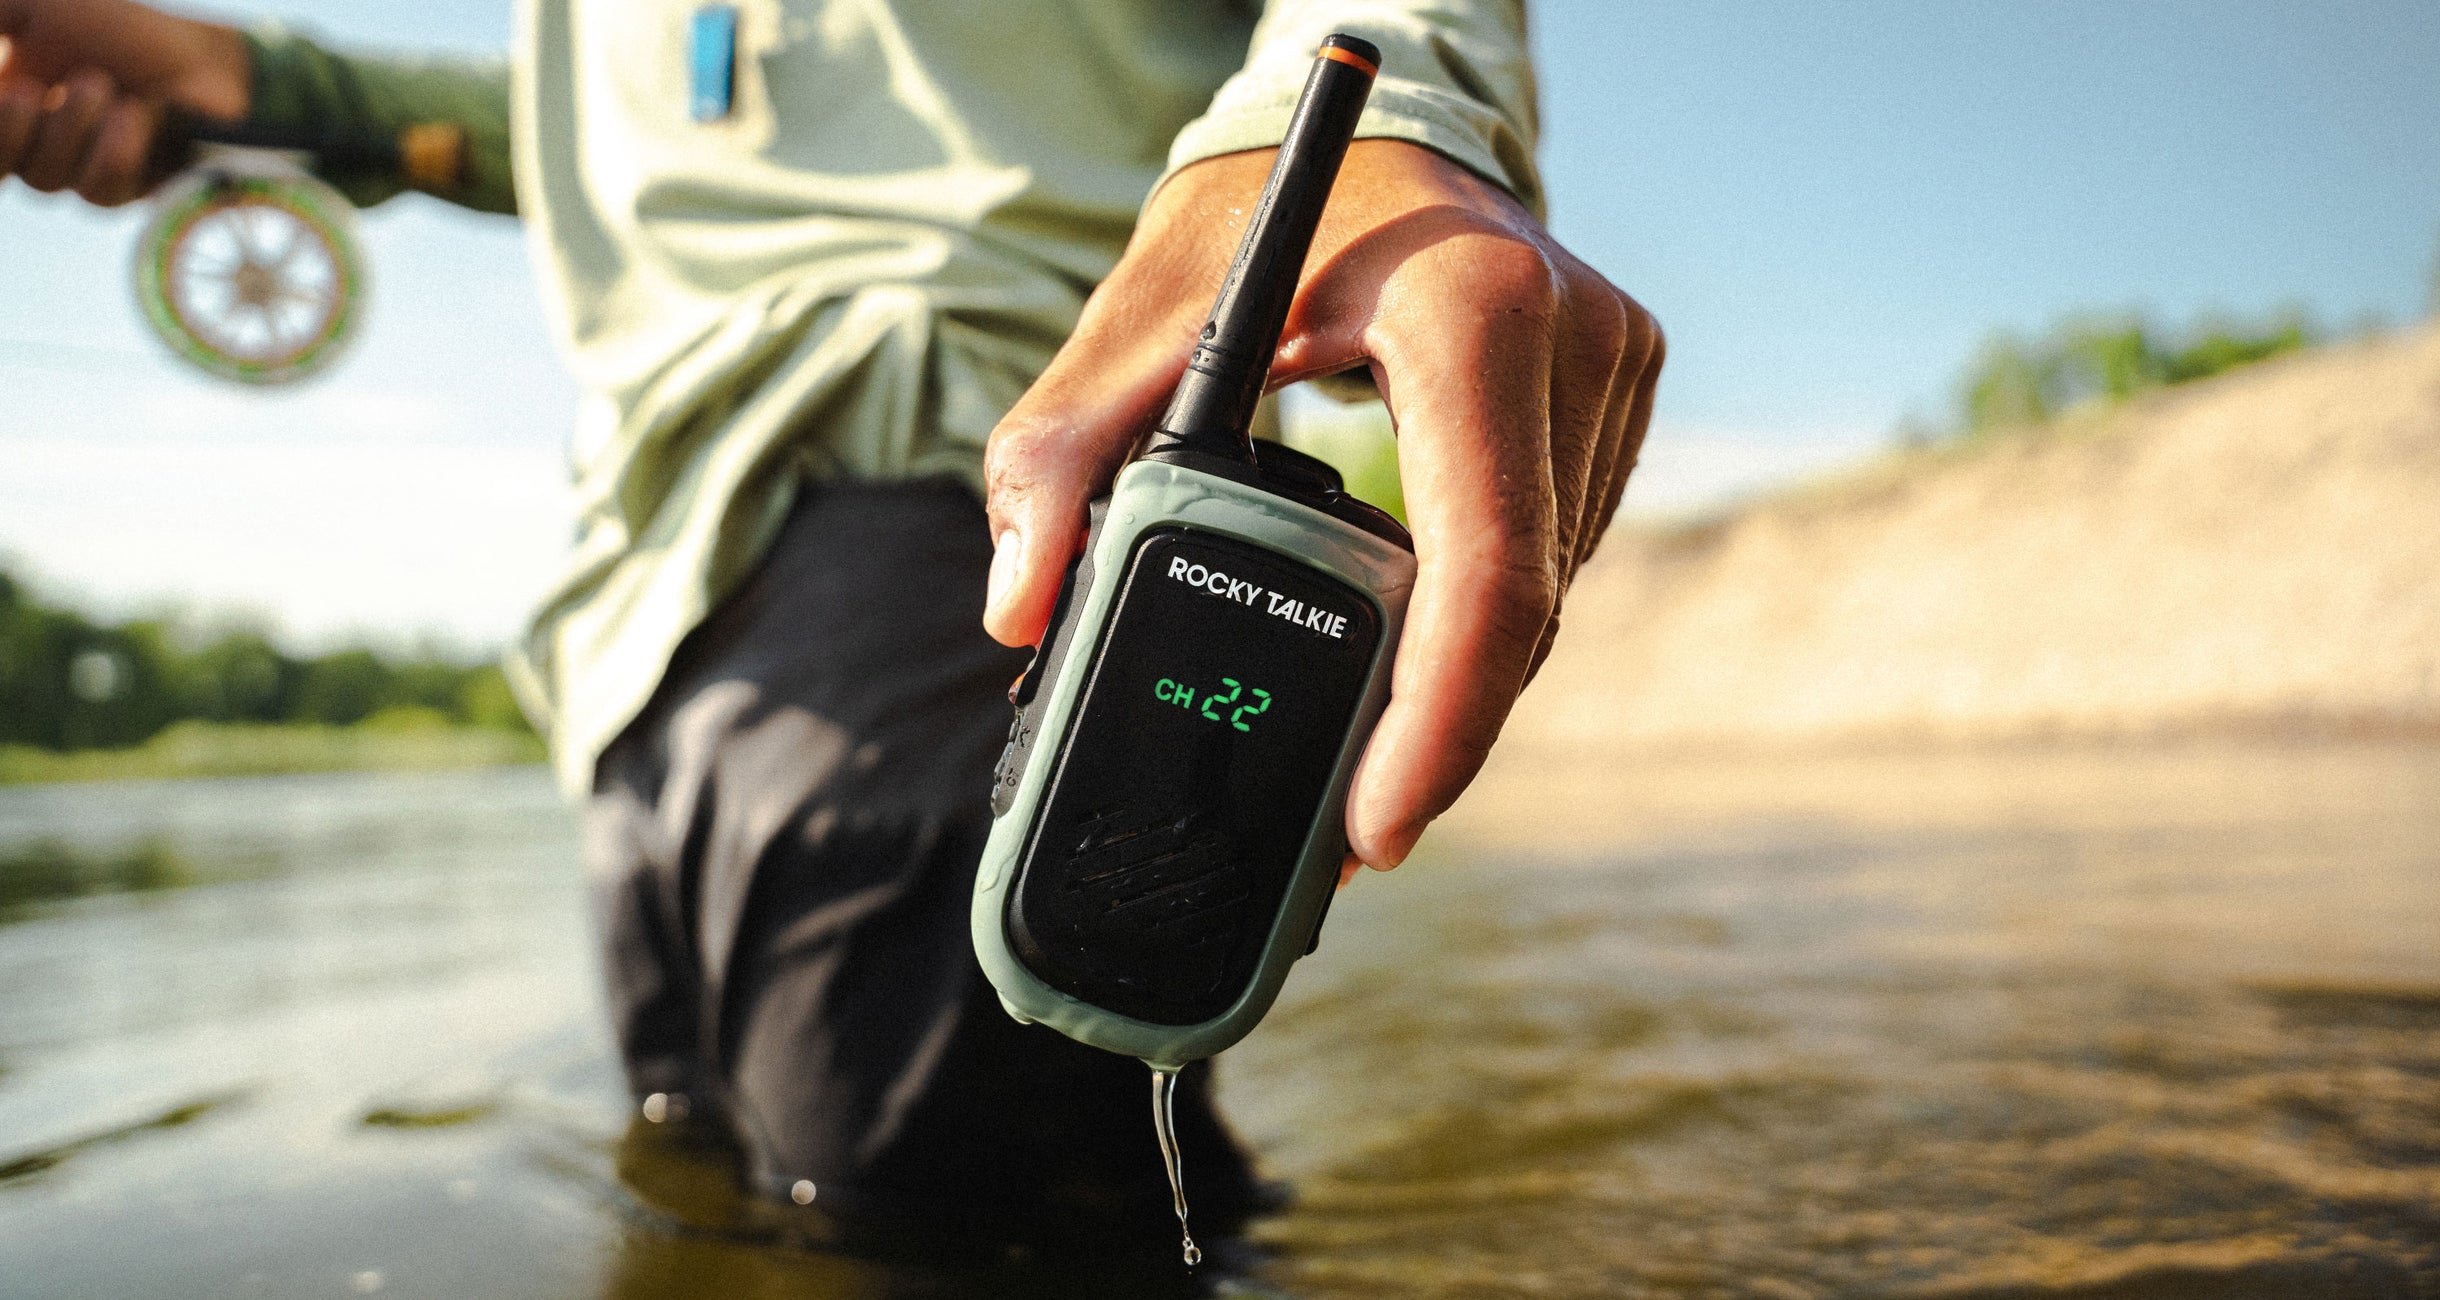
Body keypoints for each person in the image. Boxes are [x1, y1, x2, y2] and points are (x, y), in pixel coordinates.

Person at [0, 0, 1659, 1260]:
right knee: (741, 1205)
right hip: (637, 620)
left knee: (924, 1242)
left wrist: (1408, 115)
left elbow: (1382, 35)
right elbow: (627, 151)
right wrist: (244, 83)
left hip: (980, 508)